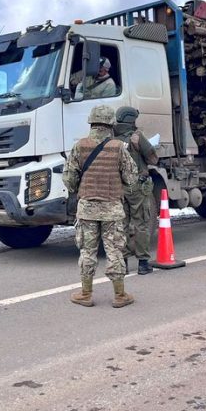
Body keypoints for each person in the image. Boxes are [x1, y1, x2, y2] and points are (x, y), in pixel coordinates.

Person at [63, 104, 139, 307]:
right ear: (111, 124)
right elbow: (131, 178)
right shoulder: (118, 148)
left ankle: (85, 294)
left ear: (91, 122)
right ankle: (120, 295)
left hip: (87, 208)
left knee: (87, 251)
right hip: (112, 210)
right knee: (114, 251)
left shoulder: (80, 146)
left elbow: (69, 180)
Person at [114, 107, 159, 275]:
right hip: (137, 187)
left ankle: (123, 264)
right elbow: (153, 158)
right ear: (132, 120)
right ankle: (143, 263)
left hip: (118, 187)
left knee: (121, 225)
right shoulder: (136, 137)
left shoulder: (112, 139)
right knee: (141, 223)